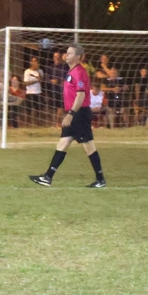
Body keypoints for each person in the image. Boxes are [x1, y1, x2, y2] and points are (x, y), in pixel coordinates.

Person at [29, 44, 106, 188]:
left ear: (78, 56)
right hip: (75, 113)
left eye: (70, 53)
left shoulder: (79, 72)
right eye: (67, 52)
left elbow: (81, 95)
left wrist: (71, 114)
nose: (66, 55)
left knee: (88, 147)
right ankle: (48, 177)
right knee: (63, 144)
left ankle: (100, 180)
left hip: (79, 114)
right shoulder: (71, 71)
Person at [22, 57, 43, 127]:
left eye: (36, 61)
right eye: (33, 61)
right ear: (31, 62)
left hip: (38, 92)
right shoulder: (27, 71)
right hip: (30, 93)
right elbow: (26, 83)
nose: (35, 63)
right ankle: (27, 125)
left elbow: (41, 80)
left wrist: (38, 71)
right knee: (28, 111)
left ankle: (38, 125)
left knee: (38, 110)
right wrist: (36, 81)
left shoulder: (40, 71)